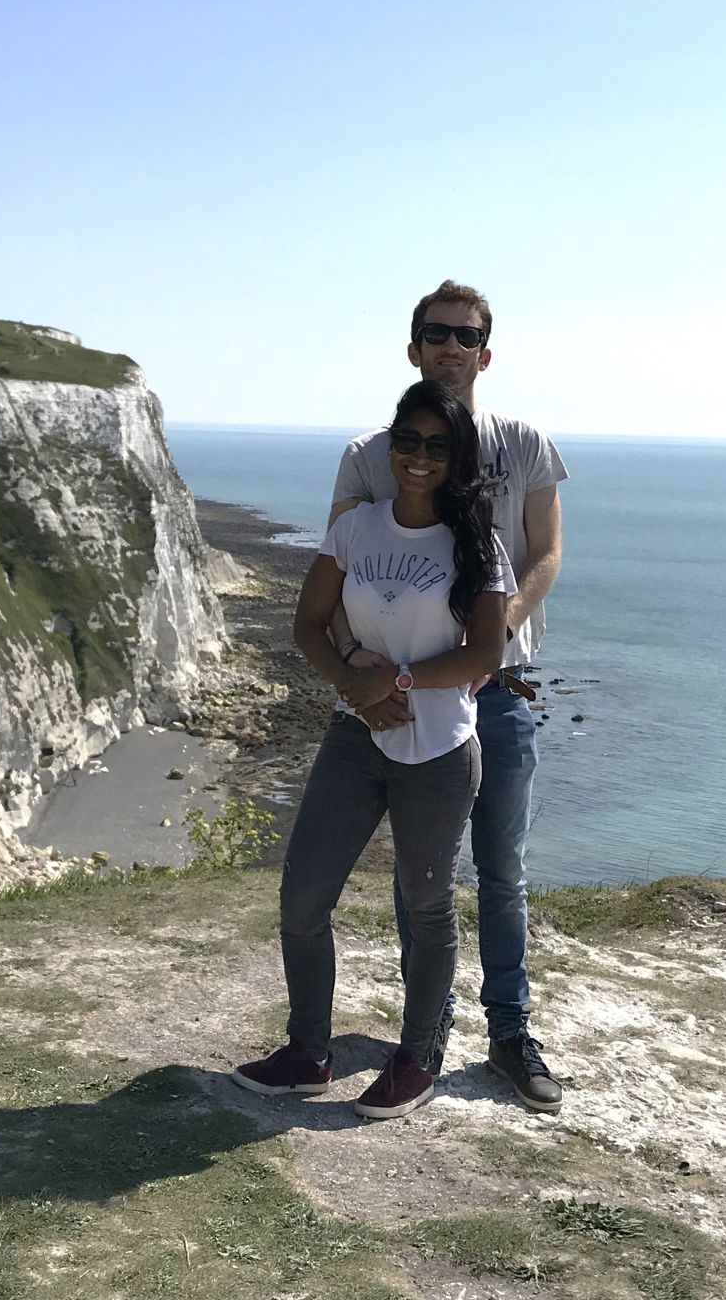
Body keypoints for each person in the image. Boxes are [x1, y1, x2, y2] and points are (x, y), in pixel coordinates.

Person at [232, 379, 515, 1119]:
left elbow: (486, 652)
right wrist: (355, 687)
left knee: (426, 905)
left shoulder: (476, 545)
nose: (418, 458)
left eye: (437, 446)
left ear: (459, 459)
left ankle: (416, 1058)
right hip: (355, 736)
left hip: (440, 750)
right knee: (302, 897)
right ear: (390, 448)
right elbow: (307, 626)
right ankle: (307, 1053)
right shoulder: (357, 527)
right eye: (407, 442)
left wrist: (396, 680)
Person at [328, 280, 568, 1113]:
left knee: (502, 869)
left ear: (486, 353)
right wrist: (360, 669)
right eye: (435, 334)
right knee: (422, 879)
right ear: (413, 347)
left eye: (465, 337)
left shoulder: (524, 442)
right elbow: (339, 564)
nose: (450, 347)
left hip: (495, 691)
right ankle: (422, 1036)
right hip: (403, 701)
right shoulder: (369, 452)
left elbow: (545, 552)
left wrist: (488, 636)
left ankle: (511, 1033)